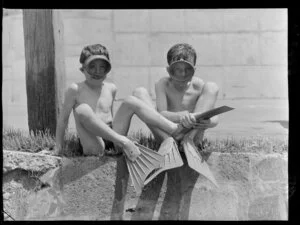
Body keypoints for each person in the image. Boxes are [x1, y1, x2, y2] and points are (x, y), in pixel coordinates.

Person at [112, 43, 220, 220]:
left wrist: (199, 120)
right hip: (167, 135)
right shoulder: (162, 84)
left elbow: (215, 119)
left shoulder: (200, 87)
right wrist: (182, 116)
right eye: (176, 70)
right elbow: (161, 114)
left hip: (191, 137)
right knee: (139, 92)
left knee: (213, 86)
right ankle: (170, 144)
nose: (181, 74)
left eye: (187, 69)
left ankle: (188, 143)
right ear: (168, 69)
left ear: (195, 69)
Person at [54, 43, 187, 159]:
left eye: (102, 67)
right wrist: (59, 147)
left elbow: (111, 116)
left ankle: (173, 128)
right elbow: (63, 120)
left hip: (113, 136)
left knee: (130, 100)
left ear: (107, 69)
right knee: (82, 109)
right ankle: (123, 141)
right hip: (93, 141)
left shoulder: (111, 88)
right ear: (82, 69)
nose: (97, 71)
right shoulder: (75, 89)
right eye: (92, 67)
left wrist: (116, 136)